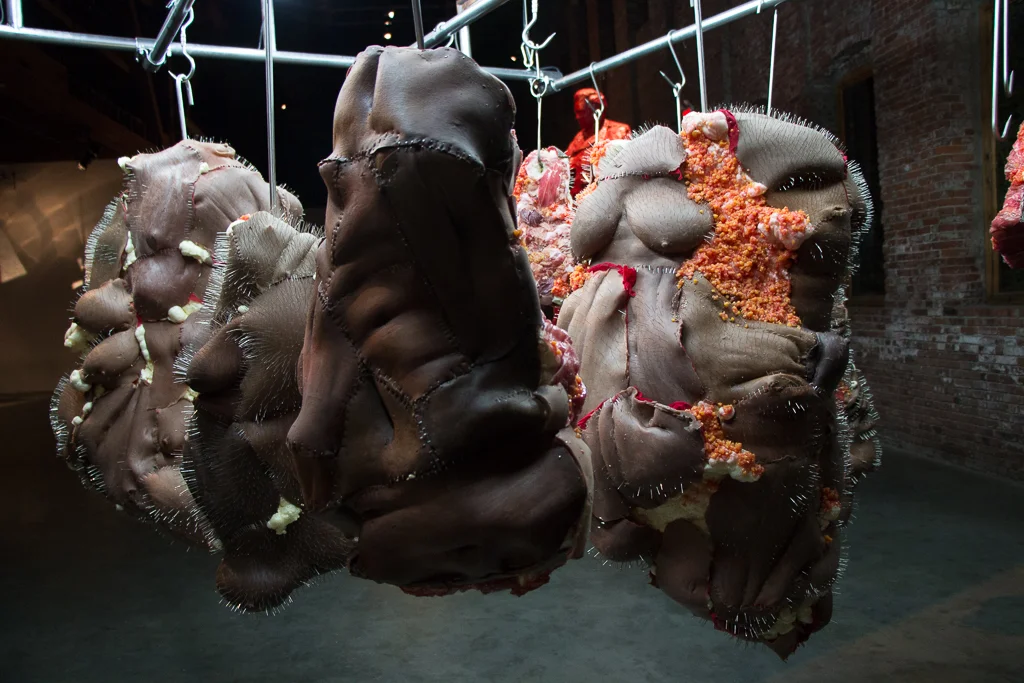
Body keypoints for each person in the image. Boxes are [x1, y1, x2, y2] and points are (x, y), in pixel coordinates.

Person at [566, 88, 631, 196]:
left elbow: (626, 170)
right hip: (578, 201)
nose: (577, 117)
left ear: (595, 109)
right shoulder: (577, 139)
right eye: (576, 112)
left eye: (581, 112)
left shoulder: (619, 132)